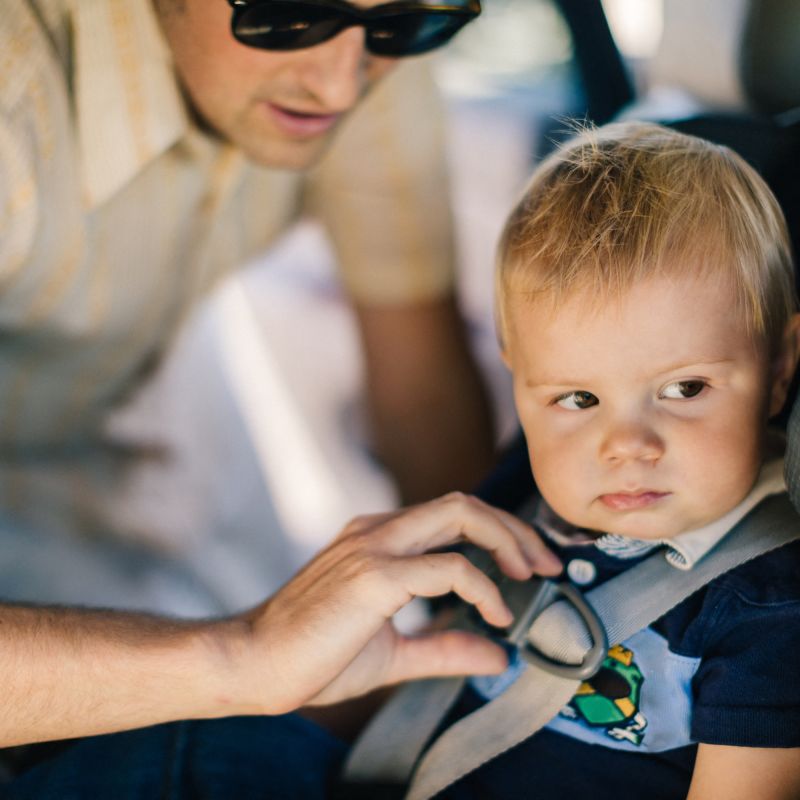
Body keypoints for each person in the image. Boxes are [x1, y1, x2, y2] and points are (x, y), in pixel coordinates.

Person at [0, 0, 494, 615]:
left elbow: (422, 393)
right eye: (290, 14)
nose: (339, 86)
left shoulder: (369, 43)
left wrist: (490, 618)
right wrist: (237, 661)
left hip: (128, 424)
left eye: (404, 23)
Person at [431, 121, 800, 798]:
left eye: (684, 390)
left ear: (779, 368)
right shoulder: (518, 509)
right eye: (577, 398)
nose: (627, 445)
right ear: (518, 381)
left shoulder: (764, 608)